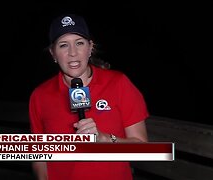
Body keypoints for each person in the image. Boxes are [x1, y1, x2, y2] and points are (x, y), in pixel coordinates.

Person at [29, 13, 149, 180]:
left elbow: (143, 151)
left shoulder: (119, 84)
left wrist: (105, 139)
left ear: (90, 47)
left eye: (79, 43)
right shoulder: (39, 96)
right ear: (53, 53)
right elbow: (39, 157)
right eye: (63, 45)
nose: (73, 53)